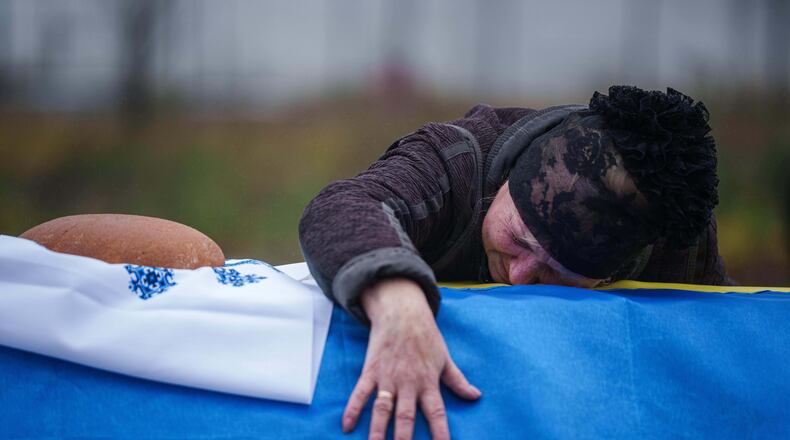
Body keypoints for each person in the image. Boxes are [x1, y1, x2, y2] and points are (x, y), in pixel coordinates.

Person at [298, 85, 728, 440]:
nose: (521, 276)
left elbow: (715, 356)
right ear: (507, 178)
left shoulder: (673, 232)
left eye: (561, 272)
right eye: (519, 239)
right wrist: (399, 302)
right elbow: (344, 205)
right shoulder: (454, 159)